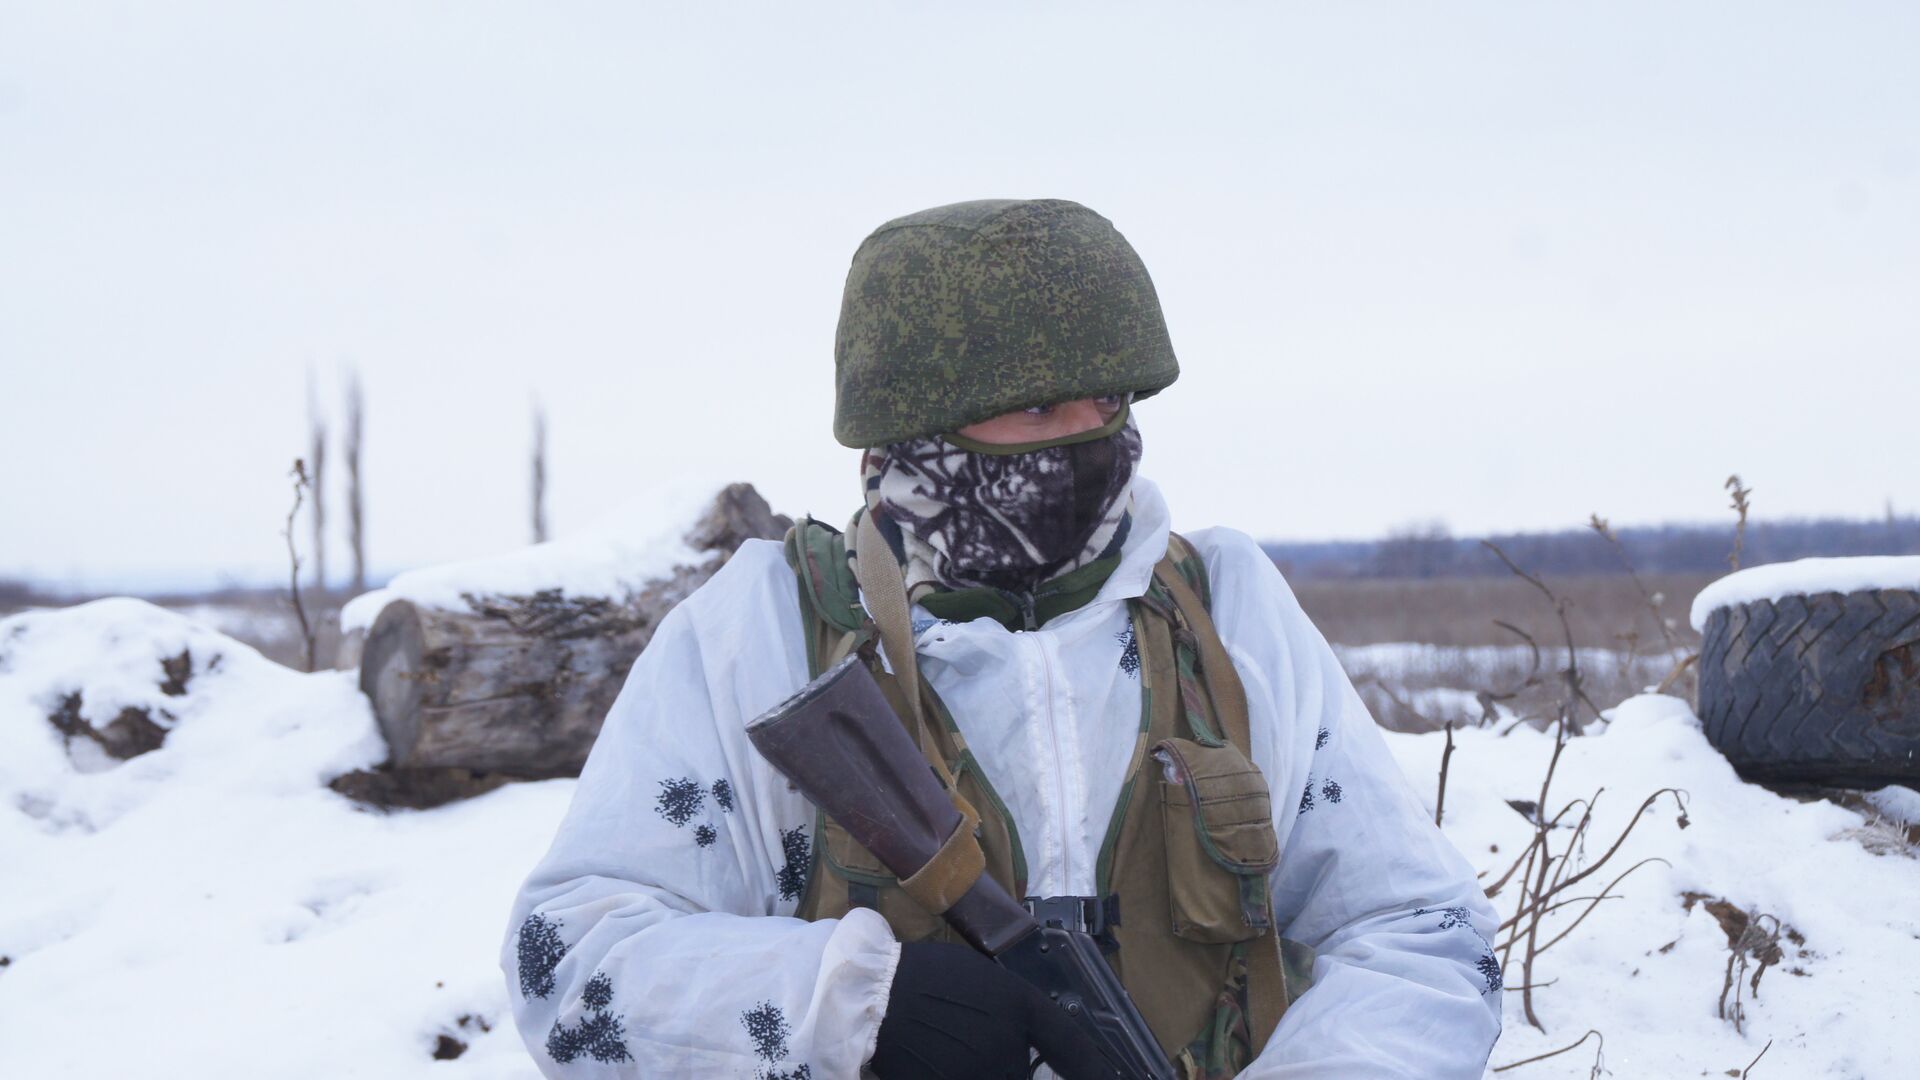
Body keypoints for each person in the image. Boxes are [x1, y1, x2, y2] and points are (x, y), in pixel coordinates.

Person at [501, 199, 1503, 1078]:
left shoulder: (1223, 612)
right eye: (1037, 406)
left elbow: (1420, 931)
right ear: (916, 425)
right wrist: (845, 1004)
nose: (1088, 436)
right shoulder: (767, 630)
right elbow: (572, 958)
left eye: (1108, 400)